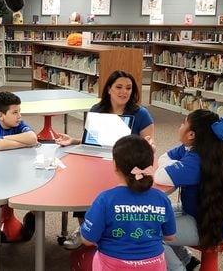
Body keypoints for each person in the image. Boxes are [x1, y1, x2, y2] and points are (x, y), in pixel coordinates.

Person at [57, 70, 155, 249]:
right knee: (83, 185)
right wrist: (75, 141)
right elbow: (93, 140)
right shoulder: (97, 110)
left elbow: (146, 149)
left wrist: (149, 147)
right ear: (109, 89)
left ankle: (110, 234)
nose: (124, 92)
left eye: (128, 88)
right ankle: (86, 229)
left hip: (127, 165)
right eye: (119, 87)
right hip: (96, 159)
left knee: (116, 195)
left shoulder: (141, 114)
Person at [153, 109, 223, 271]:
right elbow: (163, 158)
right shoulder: (195, 149)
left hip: (211, 225)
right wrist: (174, 167)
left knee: (151, 232)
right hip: (201, 212)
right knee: (156, 212)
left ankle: (178, 268)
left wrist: (174, 167)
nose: (180, 126)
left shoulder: (195, 161)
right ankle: (188, 262)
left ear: (191, 135)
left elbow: (160, 176)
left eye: (183, 123)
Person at [81, 135, 176, 270]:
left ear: (115, 165)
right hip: (153, 265)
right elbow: (170, 236)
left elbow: (88, 240)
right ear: (150, 164)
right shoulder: (161, 198)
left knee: (86, 258)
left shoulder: (104, 199)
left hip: (114, 264)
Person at [0, 91, 38, 242]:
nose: (20, 116)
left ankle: (31, 216)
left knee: (38, 188)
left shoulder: (18, 124)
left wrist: (5, 138)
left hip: (15, 169)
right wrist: (21, 143)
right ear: (0, 115)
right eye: (15, 112)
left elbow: (32, 137)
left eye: (20, 111)